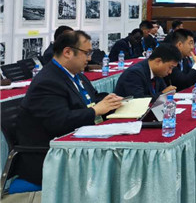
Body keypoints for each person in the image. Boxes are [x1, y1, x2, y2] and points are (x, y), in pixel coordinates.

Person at [16, 30, 123, 185]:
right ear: (67, 52)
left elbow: (92, 98)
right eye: (86, 53)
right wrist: (95, 111)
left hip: (74, 146)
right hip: (50, 156)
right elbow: (60, 121)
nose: (90, 58)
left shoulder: (76, 75)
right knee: (116, 167)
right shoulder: (48, 81)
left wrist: (111, 100)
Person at [113, 44, 181, 99]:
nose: (170, 72)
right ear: (158, 61)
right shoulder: (134, 74)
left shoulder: (157, 73)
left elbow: (163, 90)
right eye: (170, 67)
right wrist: (163, 94)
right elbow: (139, 101)